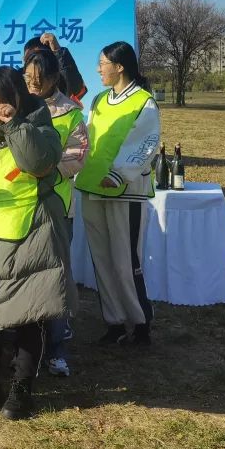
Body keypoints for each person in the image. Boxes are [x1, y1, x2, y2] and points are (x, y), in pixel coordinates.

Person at [0, 66, 74, 420]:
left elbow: (37, 162)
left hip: (30, 230)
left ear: (15, 97)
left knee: (27, 314)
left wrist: (14, 124)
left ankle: (22, 386)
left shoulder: (40, 125)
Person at [74, 41, 161, 346]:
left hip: (124, 191)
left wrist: (119, 174)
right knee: (101, 259)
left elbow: (146, 143)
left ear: (119, 66)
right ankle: (114, 321)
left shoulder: (143, 102)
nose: (98, 69)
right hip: (91, 186)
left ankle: (140, 322)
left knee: (125, 261)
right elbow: (90, 138)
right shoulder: (99, 100)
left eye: (102, 64)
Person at [22, 48, 88, 377]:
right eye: (28, 78)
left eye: (39, 80)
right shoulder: (16, 106)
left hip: (56, 206)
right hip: (20, 206)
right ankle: (25, 350)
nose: (33, 85)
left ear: (53, 79)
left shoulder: (70, 113)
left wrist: (45, 173)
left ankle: (56, 347)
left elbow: (77, 156)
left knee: (56, 276)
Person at [23, 34, 87, 103]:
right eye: (29, 58)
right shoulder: (19, 81)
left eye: (41, 58)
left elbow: (75, 90)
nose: (35, 61)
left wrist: (58, 51)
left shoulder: (58, 86)